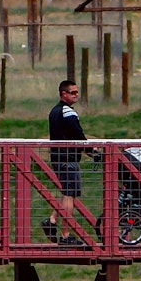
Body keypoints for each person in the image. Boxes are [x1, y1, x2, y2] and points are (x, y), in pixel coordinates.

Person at [44, 80, 90, 245]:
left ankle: (52, 220)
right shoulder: (67, 112)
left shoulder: (54, 111)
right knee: (69, 195)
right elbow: (77, 134)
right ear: (64, 94)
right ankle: (65, 236)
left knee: (68, 194)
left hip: (58, 157)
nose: (76, 95)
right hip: (68, 158)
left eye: (77, 92)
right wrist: (91, 152)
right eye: (73, 92)